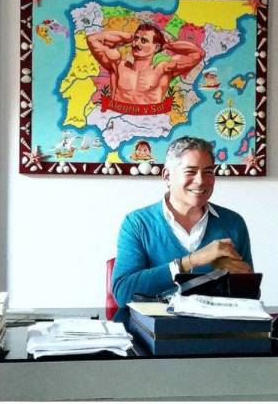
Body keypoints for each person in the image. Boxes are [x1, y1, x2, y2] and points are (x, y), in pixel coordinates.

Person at [111, 136, 253, 307]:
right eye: (190, 172)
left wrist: (240, 280)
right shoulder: (137, 223)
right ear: (167, 177)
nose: (200, 181)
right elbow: (123, 293)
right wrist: (191, 261)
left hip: (216, 330)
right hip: (154, 330)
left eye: (208, 172)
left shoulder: (233, 223)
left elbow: (250, 297)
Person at [87, 22, 205, 106]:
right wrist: (130, 37)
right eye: (136, 39)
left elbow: (197, 53)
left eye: (143, 41)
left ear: (157, 47)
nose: (136, 44)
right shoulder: (118, 66)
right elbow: (93, 39)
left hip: (150, 125)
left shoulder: (163, 70)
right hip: (119, 124)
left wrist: (168, 45)